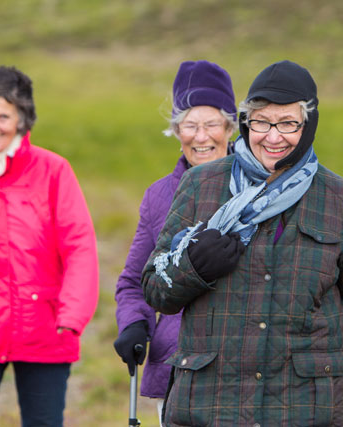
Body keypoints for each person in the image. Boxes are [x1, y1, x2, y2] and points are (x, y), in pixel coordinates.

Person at [142, 60, 343, 426]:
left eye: (287, 124)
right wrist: (193, 264)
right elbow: (155, 288)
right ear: (247, 122)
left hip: (304, 411)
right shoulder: (201, 185)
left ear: (308, 125)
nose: (273, 136)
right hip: (208, 408)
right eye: (262, 122)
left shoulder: (336, 198)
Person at [0, 66, 99, 426]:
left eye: (3, 116)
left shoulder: (54, 170)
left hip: (44, 324)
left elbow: (79, 246)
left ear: (23, 118)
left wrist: (73, 314)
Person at [114, 60, 237, 424]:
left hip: (245, 369)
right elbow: (133, 282)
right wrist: (134, 323)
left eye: (212, 123)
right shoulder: (158, 197)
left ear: (230, 127)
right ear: (176, 129)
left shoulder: (258, 191)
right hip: (176, 367)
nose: (201, 136)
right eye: (190, 125)